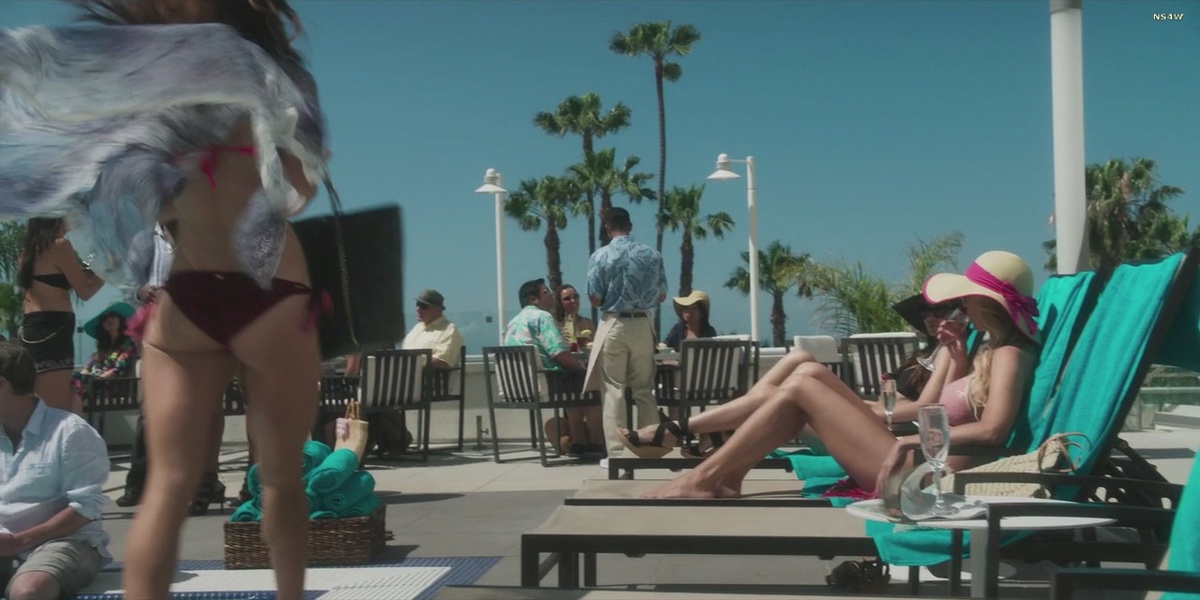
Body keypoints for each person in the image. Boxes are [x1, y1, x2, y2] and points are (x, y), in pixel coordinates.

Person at [0, 1, 332, 596]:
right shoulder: (274, 78)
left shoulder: (155, 96)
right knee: (282, 479)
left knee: (167, 486)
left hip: (188, 297)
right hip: (272, 291)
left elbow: (153, 204)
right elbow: (296, 192)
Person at [620, 251, 1041, 499]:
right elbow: (949, 409)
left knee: (802, 385)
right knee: (806, 372)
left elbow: (993, 432)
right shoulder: (986, 349)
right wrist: (959, 362)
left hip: (926, 475)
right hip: (915, 459)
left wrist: (912, 440)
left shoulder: (1009, 353)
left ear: (989, 303)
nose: (962, 305)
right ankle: (718, 472)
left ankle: (708, 472)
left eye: (969, 298)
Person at [0, 342, 111, 600]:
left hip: (66, 541)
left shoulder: (69, 432)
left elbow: (85, 508)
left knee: (28, 591)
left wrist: (19, 541)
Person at [583, 207, 668, 464]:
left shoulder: (600, 256)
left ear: (607, 228)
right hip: (643, 324)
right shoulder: (652, 255)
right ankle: (650, 447)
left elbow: (595, 298)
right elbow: (661, 295)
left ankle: (618, 454)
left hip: (615, 323)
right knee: (645, 389)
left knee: (614, 390)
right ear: (630, 226)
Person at [17, 218, 105, 413]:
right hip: (54, 329)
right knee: (57, 408)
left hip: (31, 330)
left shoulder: (27, 252)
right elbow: (85, 290)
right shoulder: (59, 245)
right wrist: (108, 271)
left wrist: (93, 257)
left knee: (39, 405)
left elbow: (79, 273)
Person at [887, 294, 965, 402]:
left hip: (898, 411)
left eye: (939, 311)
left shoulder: (948, 351)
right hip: (889, 408)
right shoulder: (928, 352)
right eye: (925, 311)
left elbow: (928, 404)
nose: (929, 319)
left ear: (958, 314)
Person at [69, 303, 138, 412]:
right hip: (94, 384)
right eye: (105, 319)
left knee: (77, 383)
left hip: (112, 386)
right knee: (70, 379)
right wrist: (86, 376)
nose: (108, 320)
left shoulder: (128, 345)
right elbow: (87, 367)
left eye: (112, 316)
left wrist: (96, 380)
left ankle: (76, 414)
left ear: (120, 321)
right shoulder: (101, 346)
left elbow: (118, 370)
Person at [555, 284, 596, 351]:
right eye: (567, 299)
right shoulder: (556, 325)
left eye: (575, 297)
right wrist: (560, 338)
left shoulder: (587, 323)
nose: (573, 301)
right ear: (560, 303)